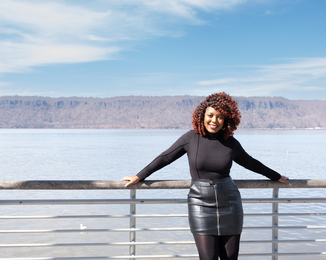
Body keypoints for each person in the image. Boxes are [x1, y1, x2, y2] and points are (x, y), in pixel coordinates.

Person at [122, 92, 290, 260]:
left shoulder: (230, 142)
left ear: (226, 120)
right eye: (210, 115)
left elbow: (251, 163)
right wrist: (139, 176)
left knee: (230, 258)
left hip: (230, 203)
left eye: (220, 117)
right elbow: (165, 157)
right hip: (200, 204)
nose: (214, 121)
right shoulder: (190, 138)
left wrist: (276, 176)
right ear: (202, 116)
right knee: (207, 258)